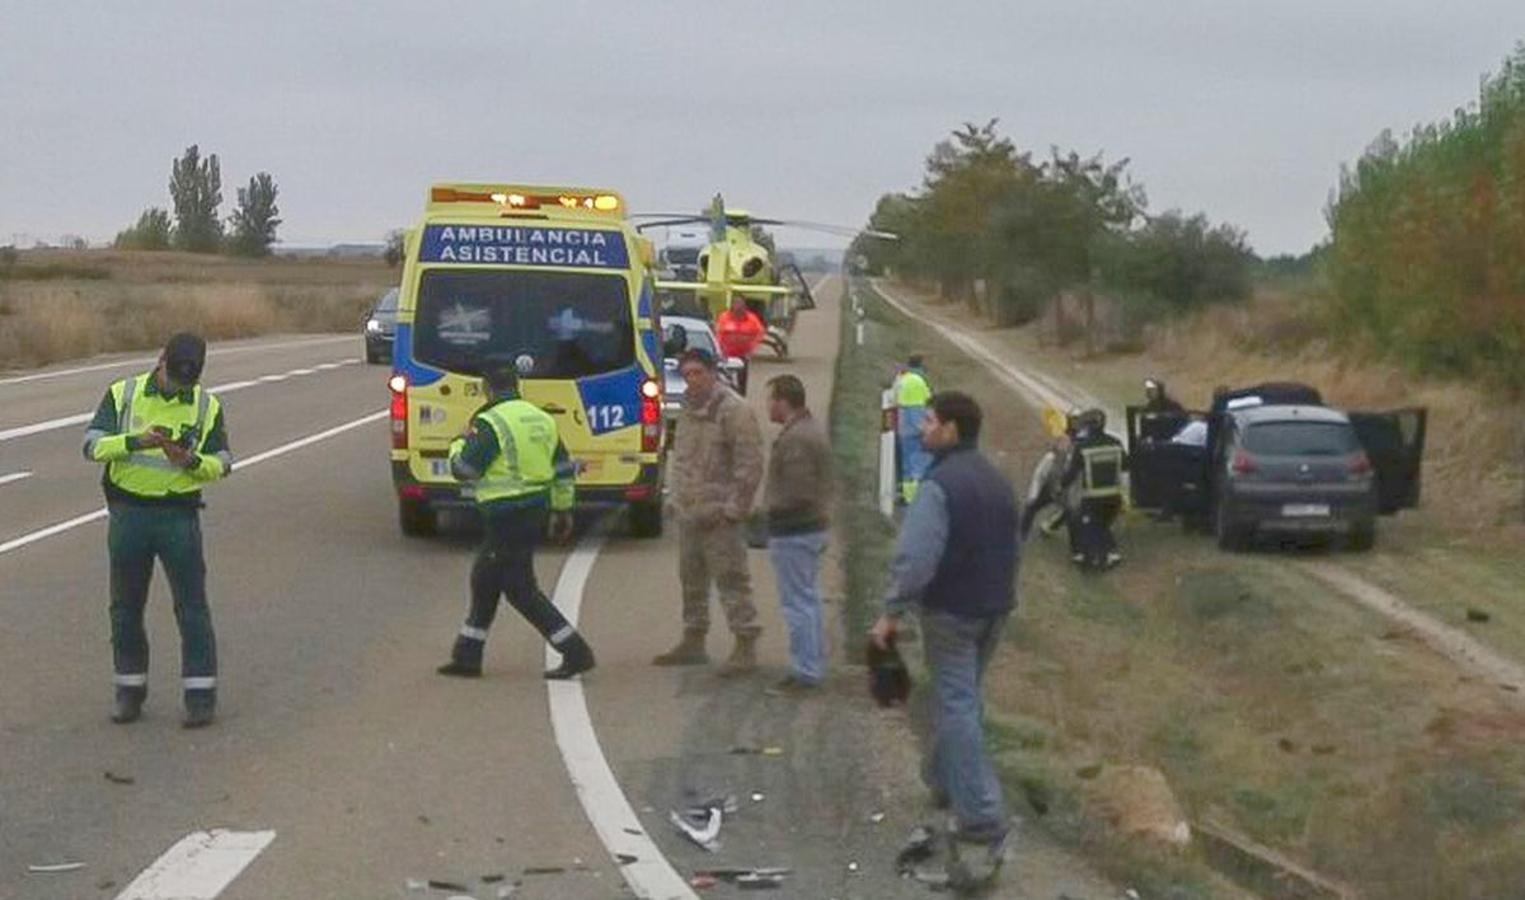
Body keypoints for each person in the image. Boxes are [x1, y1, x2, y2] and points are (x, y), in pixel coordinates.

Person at [869, 391, 1017, 886]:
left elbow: (915, 559)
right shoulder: (996, 480)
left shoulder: (940, 485)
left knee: (956, 702)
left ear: (950, 430)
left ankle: (979, 813)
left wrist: (891, 611)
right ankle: (942, 781)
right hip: (994, 608)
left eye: (928, 422)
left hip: (951, 612)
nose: (920, 429)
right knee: (964, 697)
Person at [82, 333, 232, 728]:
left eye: (189, 381)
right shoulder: (123, 393)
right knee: (125, 608)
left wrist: (190, 460)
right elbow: (91, 446)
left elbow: (223, 463)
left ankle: (201, 697)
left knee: (192, 608)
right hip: (129, 514)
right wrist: (137, 441)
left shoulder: (206, 405)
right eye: (175, 376)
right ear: (161, 359)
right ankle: (129, 690)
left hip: (178, 518)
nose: (181, 385)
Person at [436, 363, 595, 681]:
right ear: (517, 385)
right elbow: (563, 469)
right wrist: (562, 511)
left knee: (520, 589)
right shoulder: (542, 418)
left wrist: (456, 445)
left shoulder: (488, 422)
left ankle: (575, 651)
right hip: (534, 508)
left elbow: (466, 469)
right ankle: (468, 655)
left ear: (486, 388)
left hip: (504, 513)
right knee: (485, 579)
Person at [655, 348, 764, 673]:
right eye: (686, 374)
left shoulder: (734, 411)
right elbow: (681, 458)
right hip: (690, 513)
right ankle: (694, 638)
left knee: (732, 580)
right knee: (691, 580)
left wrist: (734, 509)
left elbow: (750, 465)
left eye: (698, 373)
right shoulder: (687, 409)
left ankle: (745, 643)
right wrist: (675, 499)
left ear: (713, 373)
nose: (692, 380)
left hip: (720, 517)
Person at [762, 374, 833, 696]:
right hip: (808, 528)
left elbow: (799, 491)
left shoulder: (796, 440)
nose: (767, 406)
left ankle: (805, 671)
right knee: (808, 600)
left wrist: (768, 510)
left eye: (770, 399)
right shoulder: (806, 432)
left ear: (782, 401)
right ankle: (812, 664)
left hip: (795, 531)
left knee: (797, 604)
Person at [1061, 408, 1126, 570]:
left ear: (1087, 426)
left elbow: (1070, 474)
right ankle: (1111, 552)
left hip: (1092, 500)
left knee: (1085, 526)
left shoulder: (1082, 447)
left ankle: (1093, 558)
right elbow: (1126, 465)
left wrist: (1061, 484)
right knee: (1102, 525)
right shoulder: (1116, 443)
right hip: (1115, 500)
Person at [892, 354, 933, 503]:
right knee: (918, 466)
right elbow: (916, 411)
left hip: (903, 430)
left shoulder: (903, 379)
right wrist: (925, 430)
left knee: (907, 467)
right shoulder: (916, 382)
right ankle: (916, 498)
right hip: (914, 431)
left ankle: (907, 496)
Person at [715, 295, 767, 392]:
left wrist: (753, 346)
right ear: (732, 305)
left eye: (741, 304)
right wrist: (720, 349)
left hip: (743, 355)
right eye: (736, 303)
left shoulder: (752, 318)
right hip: (727, 354)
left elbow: (760, 332)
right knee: (725, 378)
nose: (738, 306)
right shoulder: (724, 317)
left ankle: (741, 398)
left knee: (742, 379)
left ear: (745, 306)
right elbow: (718, 333)